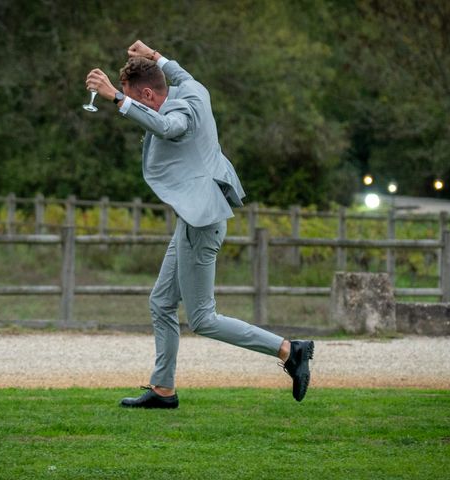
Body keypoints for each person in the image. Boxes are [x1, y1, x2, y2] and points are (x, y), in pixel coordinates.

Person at [85, 40, 314, 408]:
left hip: (202, 222)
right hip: (192, 219)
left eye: (137, 99)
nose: (137, 104)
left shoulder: (181, 115)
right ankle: (163, 389)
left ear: (147, 93)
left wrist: (115, 98)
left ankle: (290, 350)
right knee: (161, 303)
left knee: (203, 319)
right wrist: (154, 55)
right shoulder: (192, 87)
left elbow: (165, 127)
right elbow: (176, 71)